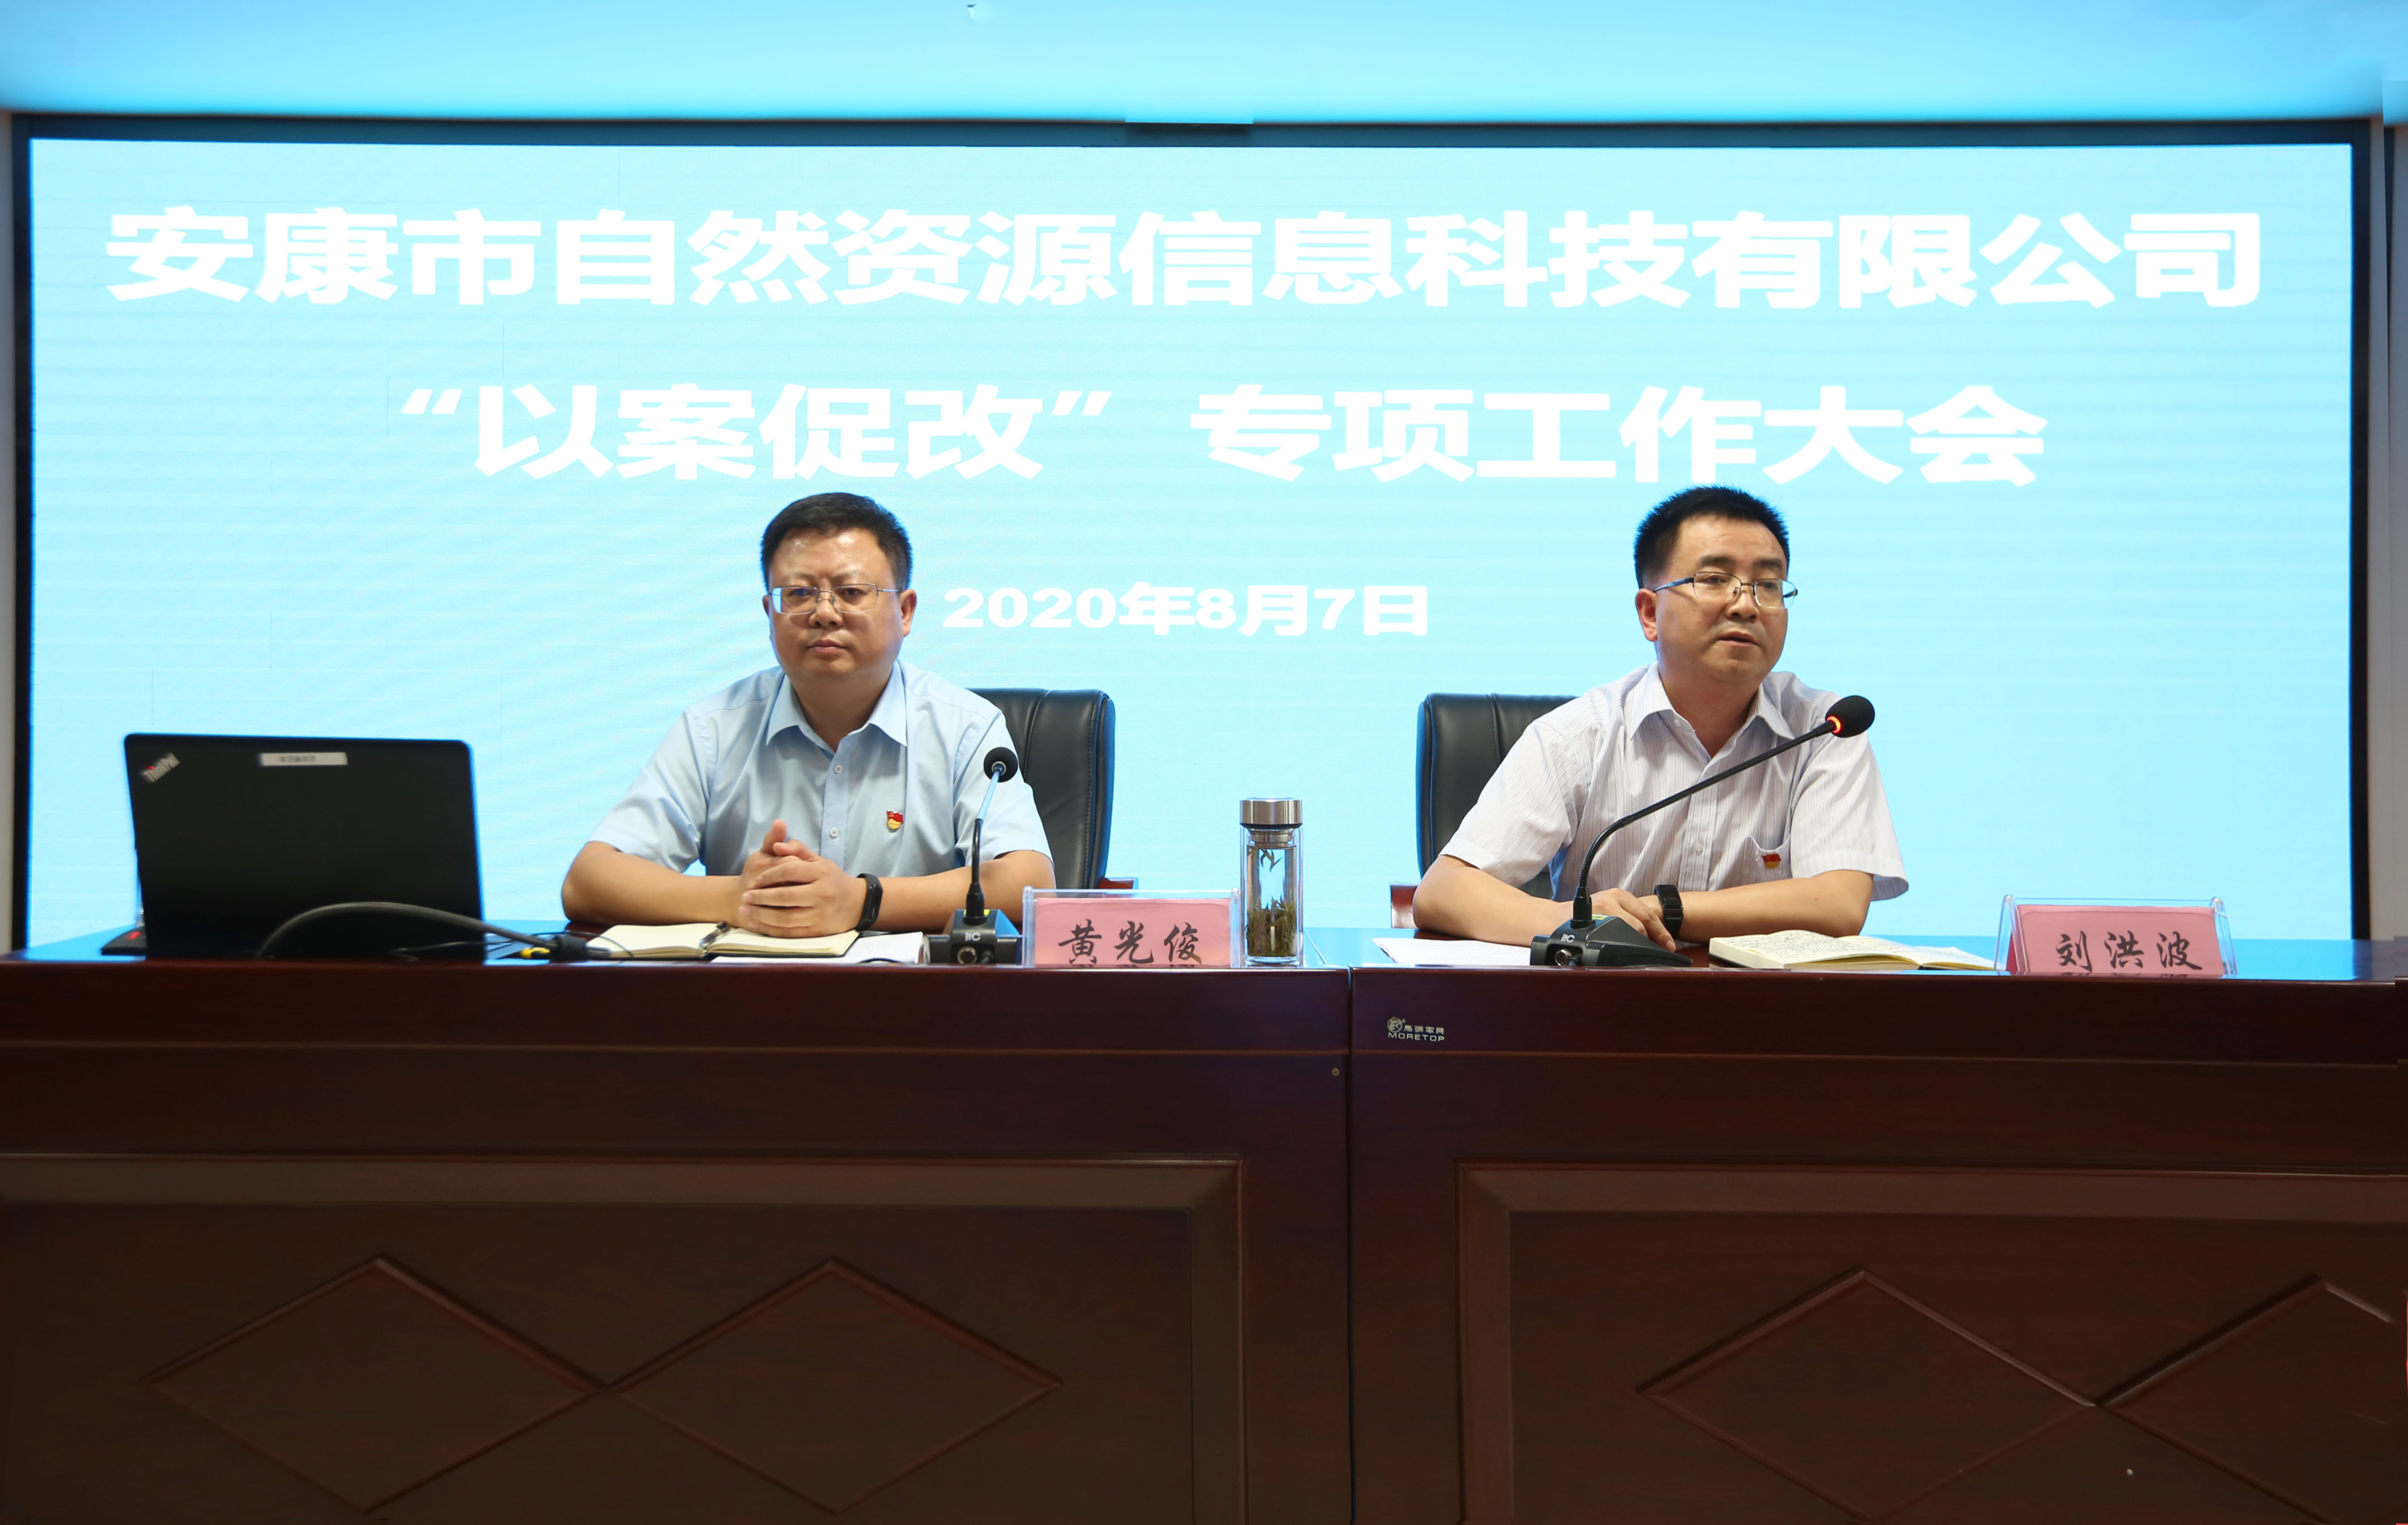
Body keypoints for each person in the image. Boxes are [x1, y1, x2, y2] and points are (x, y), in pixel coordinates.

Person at [1412, 486, 1904, 950]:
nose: (1746, 605)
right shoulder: (1579, 735)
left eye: (1768, 585)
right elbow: (1443, 891)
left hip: (1764, 1005)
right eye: (1714, 580)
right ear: (1650, 613)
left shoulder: (1826, 728)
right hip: (1604, 1000)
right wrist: (1576, 920)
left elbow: (1837, 904)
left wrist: (1660, 910)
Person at [562, 492, 1054, 937]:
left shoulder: (965, 727)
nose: (824, 613)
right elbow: (589, 881)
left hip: (911, 998)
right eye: (798, 594)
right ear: (769, 613)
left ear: (905, 611)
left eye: (852, 591)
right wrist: (737, 897)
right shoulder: (714, 729)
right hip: (750, 997)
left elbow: (1028, 884)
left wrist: (860, 900)